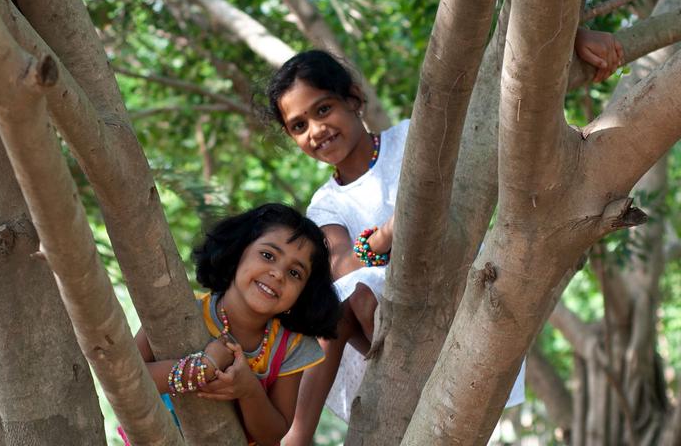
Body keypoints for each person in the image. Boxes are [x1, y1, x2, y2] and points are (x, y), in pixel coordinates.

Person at [266, 28, 624, 445]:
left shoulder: (414, 140)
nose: (315, 130)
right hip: (382, 331)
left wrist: (572, 36)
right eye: (298, 126)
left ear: (352, 97)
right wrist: (387, 236)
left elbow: (499, 98)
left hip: (462, 299)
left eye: (323, 109)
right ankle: (297, 435)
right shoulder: (325, 204)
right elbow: (345, 267)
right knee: (343, 294)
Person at [132, 203, 341, 446]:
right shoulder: (181, 311)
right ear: (237, 251)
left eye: (295, 273)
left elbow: (273, 434)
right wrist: (202, 368)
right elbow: (128, 378)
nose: (278, 274)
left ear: (304, 294)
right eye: (268, 256)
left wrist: (248, 389)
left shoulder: (289, 346)